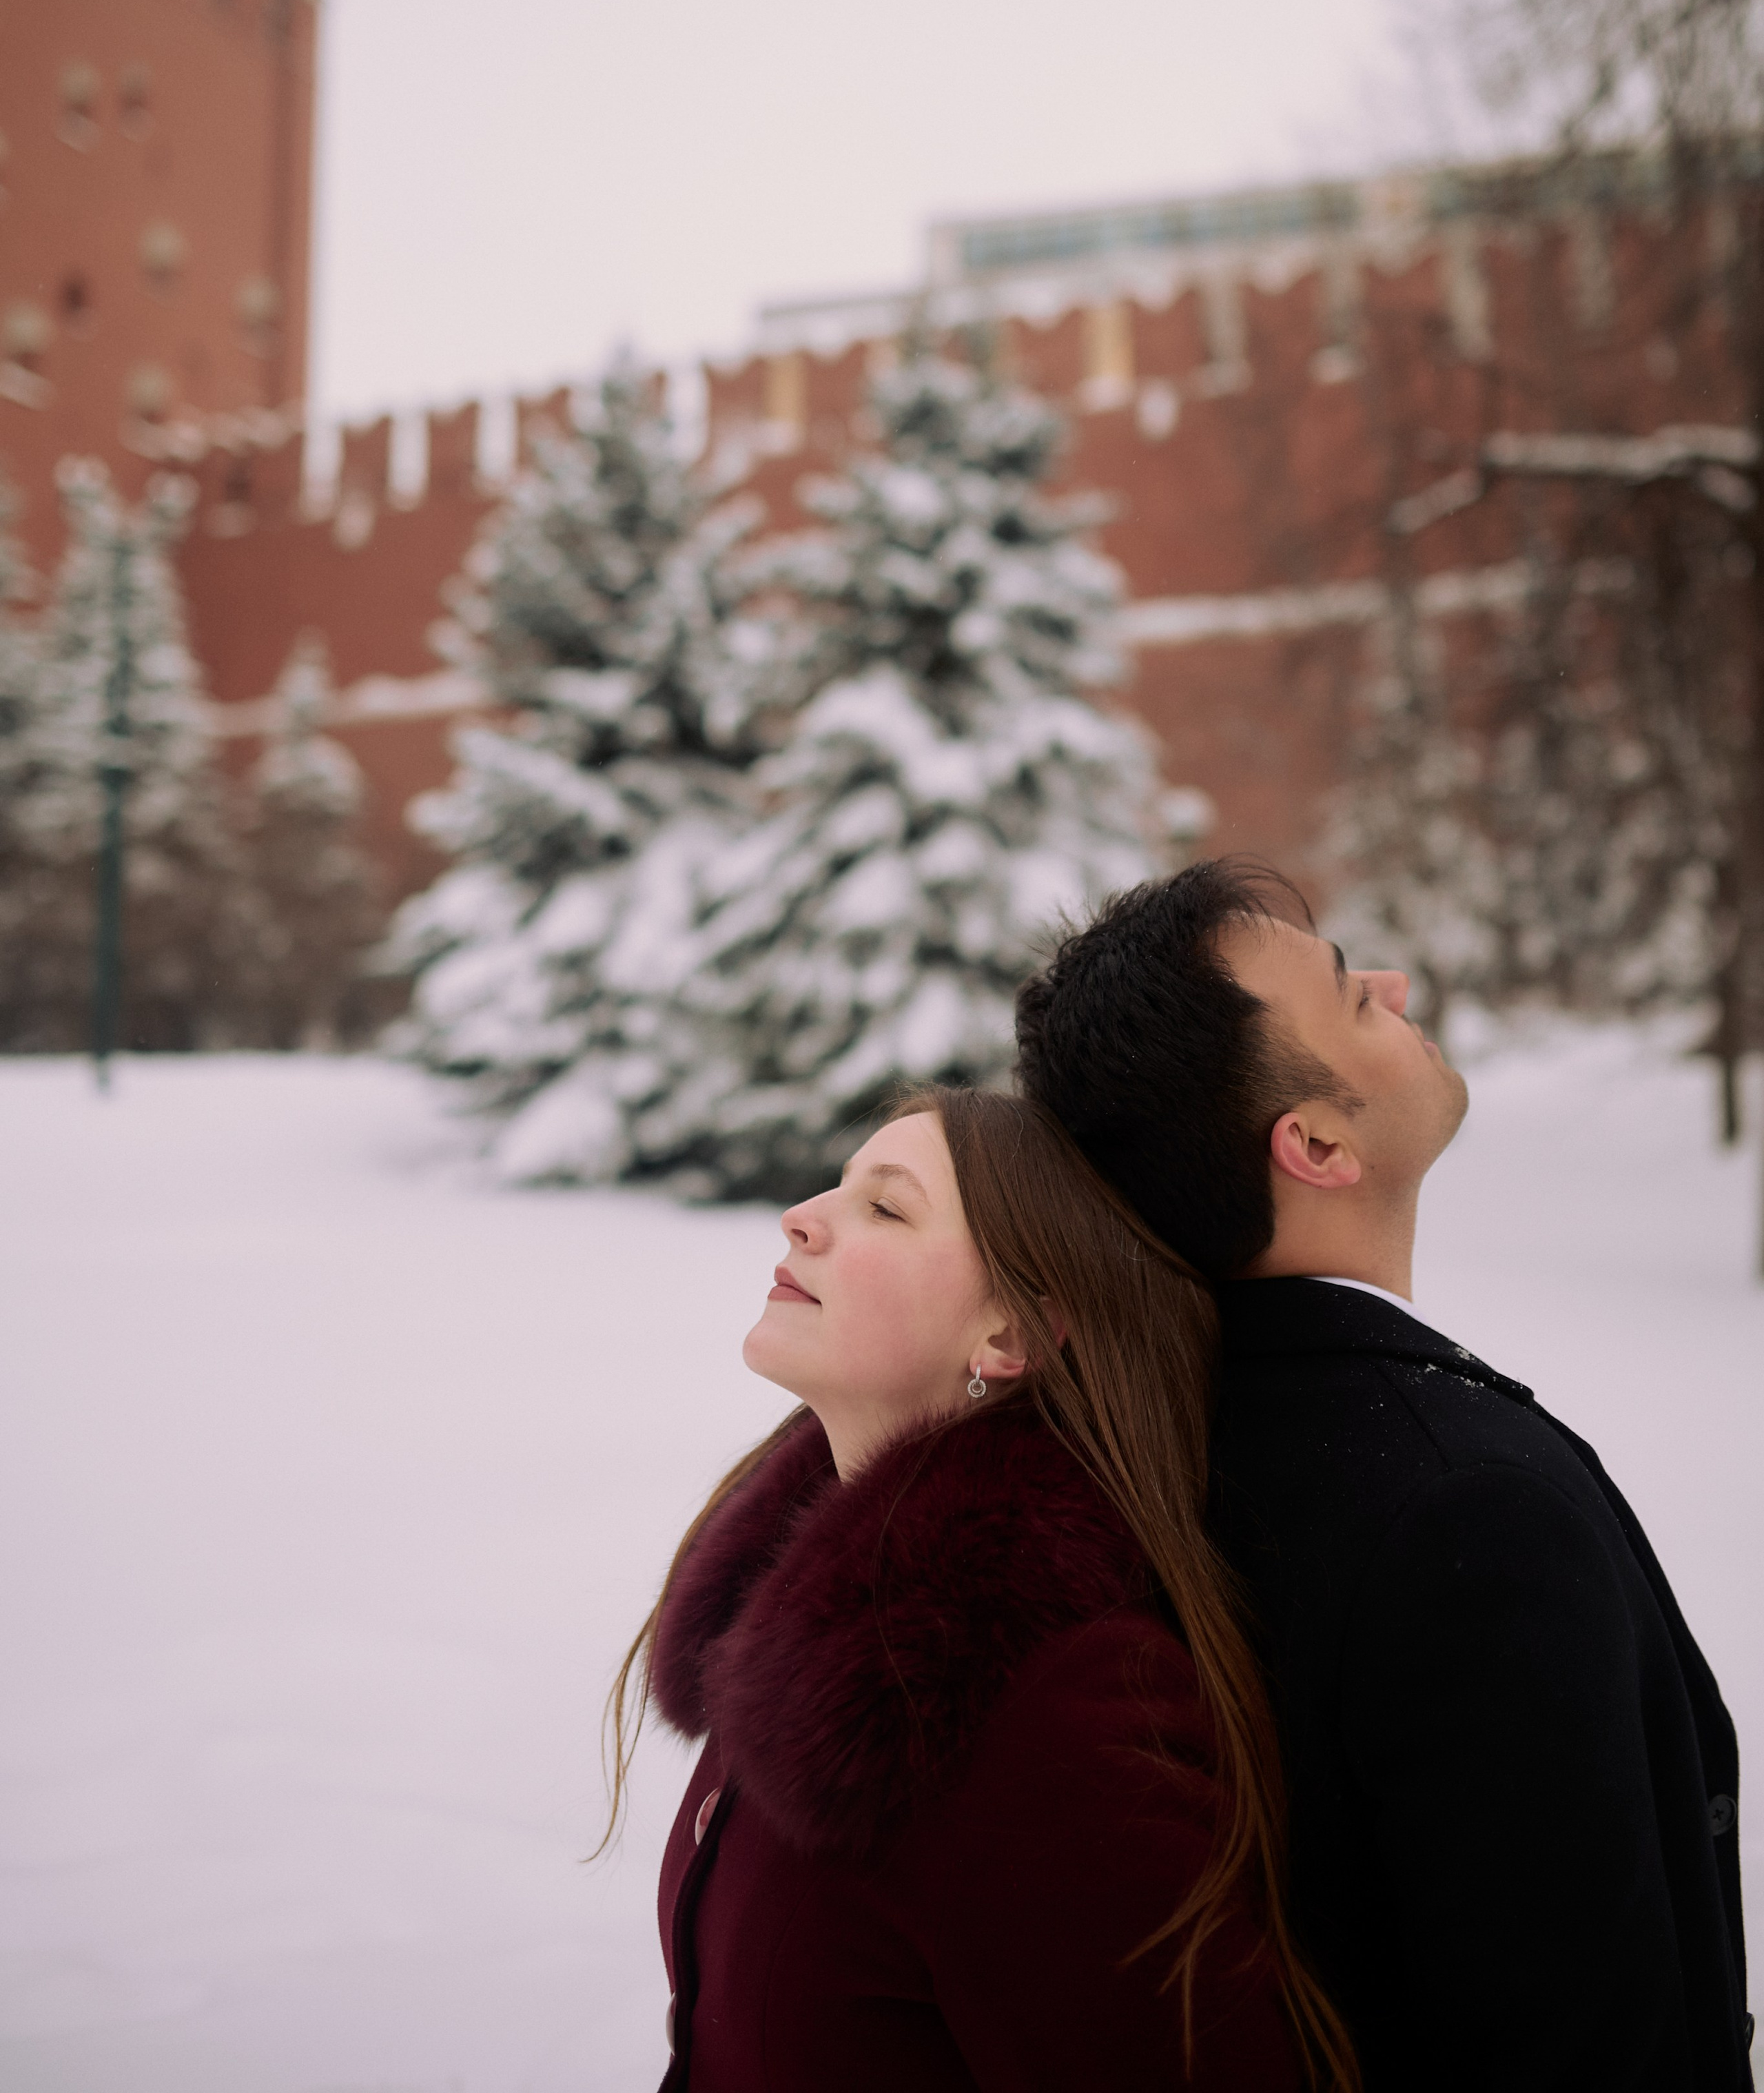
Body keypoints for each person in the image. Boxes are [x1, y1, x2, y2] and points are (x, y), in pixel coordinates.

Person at [1015, 855, 1753, 2093]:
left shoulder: (1155, 1441)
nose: (1400, 983)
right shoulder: (1464, 1509)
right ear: (1313, 1143)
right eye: (1356, 994)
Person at [601, 1083, 1360, 2091]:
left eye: (885, 1205)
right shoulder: (812, 1624)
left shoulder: (1041, 1716)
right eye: (840, 1182)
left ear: (1013, 1333)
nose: (803, 1214)